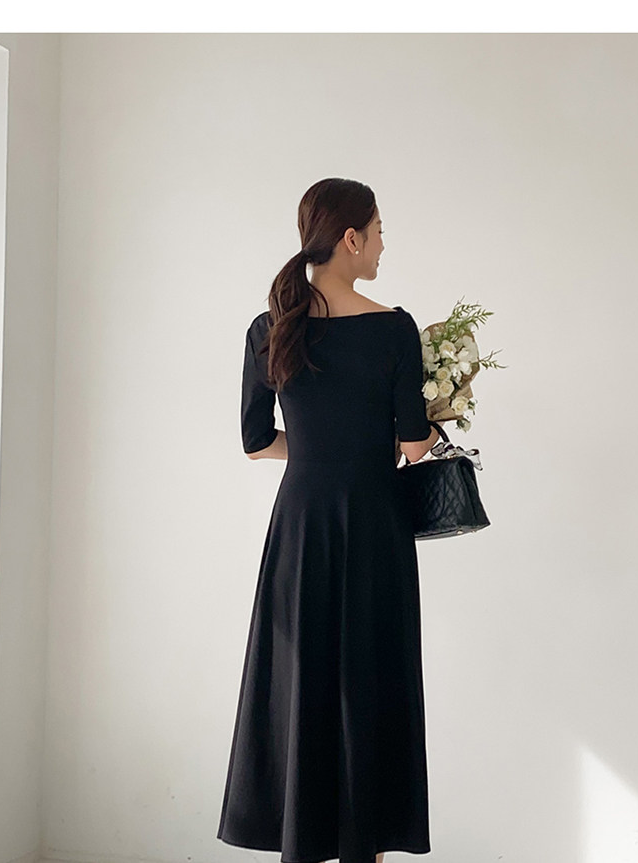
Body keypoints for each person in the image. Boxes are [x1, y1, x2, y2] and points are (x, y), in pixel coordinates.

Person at [216, 178, 439, 863]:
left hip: (301, 526)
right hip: (373, 524)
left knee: (301, 683)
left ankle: (301, 840)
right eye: (378, 231)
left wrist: (316, 447)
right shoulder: (393, 328)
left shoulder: (270, 328)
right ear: (350, 238)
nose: (383, 244)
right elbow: (413, 445)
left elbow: (256, 442)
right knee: (372, 684)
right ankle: (365, 846)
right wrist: (434, 418)